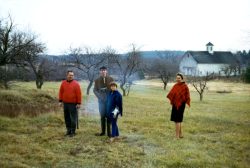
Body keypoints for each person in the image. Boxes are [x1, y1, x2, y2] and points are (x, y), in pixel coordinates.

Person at [167, 73, 190, 139]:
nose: (177, 79)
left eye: (179, 78)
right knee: (176, 120)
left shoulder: (185, 86)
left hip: (181, 105)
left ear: (182, 79)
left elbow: (187, 96)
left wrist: (183, 100)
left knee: (178, 120)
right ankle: (180, 134)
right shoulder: (175, 85)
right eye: (177, 78)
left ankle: (177, 137)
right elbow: (171, 93)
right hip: (175, 104)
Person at [59, 70, 82, 137]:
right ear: (67, 75)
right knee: (67, 117)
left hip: (73, 104)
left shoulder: (76, 84)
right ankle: (68, 130)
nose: (71, 76)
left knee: (73, 118)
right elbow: (61, 92)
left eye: (72, 75)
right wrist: (60, 101)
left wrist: (78, 103)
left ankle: (73, 131)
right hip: (65, 103)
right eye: (70, 75)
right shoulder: (63, 83)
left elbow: (79, 94)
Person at [93, 66, 114, 137]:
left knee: (109, 117)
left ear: (106, 71)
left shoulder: (111, 79)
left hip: (109, 101)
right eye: (102, 70)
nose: (103, 71)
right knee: (102, 116)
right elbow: (95, 90)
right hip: (101, 101)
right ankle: (102, 132)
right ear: (100, 71)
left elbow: (114, 89)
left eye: (104, 70)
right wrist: (100, 97)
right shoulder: (97, 80)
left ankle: (109, 133)